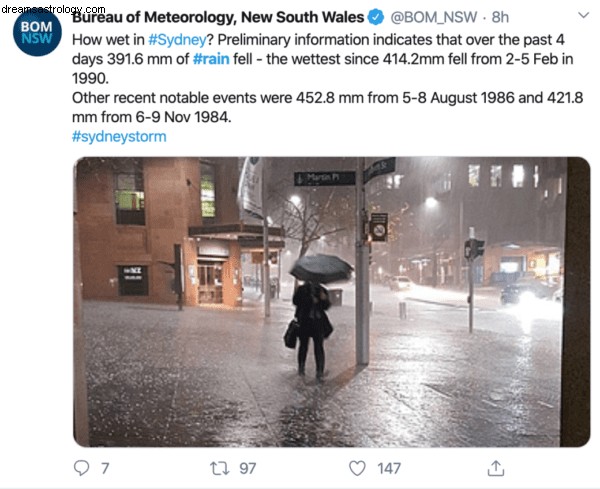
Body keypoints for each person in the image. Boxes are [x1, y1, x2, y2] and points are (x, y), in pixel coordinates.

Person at [292, 281, 331, 381]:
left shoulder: (321, 289)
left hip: (318, 323)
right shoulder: (302, 289)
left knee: (319, 347)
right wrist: (310, 299)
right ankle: (301, 368)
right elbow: (295, 302)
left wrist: (323, 299)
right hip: (305, 322)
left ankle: (319, 371)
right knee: (303, 346)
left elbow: (327, 306)